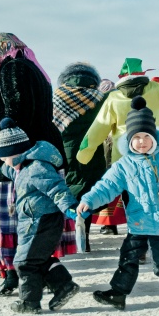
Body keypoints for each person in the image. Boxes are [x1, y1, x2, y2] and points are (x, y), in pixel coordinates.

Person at [77, 96, 159, 315]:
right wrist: (88, 200)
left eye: (146, 136)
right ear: (129, 140)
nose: (142, 141)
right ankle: (118, 293)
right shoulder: (123, 165)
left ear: (155, 137)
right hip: (138, 221)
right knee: (128, 258)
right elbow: (106, 186)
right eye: (136, 137)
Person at [77, 58, 159, 242]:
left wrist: (85, 152)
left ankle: (139, 239)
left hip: (125, 159)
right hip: (156, 156)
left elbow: (98, 128)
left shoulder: (113, 98)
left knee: (134, 201)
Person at [0, 32, 66, 281]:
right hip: (40, 146)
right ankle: (47, 276)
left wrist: (6, 143)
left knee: (22, 219)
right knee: (34, 219)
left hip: (21, 151)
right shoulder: (32, 68)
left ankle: (24, 276)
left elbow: (16, 108)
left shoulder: (13, 68)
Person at [0, 118, 80, 313]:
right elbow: (10, 170)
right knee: (35, 258)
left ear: (16, 154)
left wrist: (70, 207)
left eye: (5, 158)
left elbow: (56, 188)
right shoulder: (22, 167)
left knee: (25, 262)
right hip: (35, 221)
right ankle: (63, 285)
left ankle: (29, 302)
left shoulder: (36, 168)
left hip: (42, 221)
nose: (5, 163)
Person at [52, 62, 108, 252]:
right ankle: (85, 236)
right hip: (91, 150)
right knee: (89, 191)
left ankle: (67, 236)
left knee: (67, 189)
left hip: (64, 150)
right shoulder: (99, 98)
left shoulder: (58, 96)